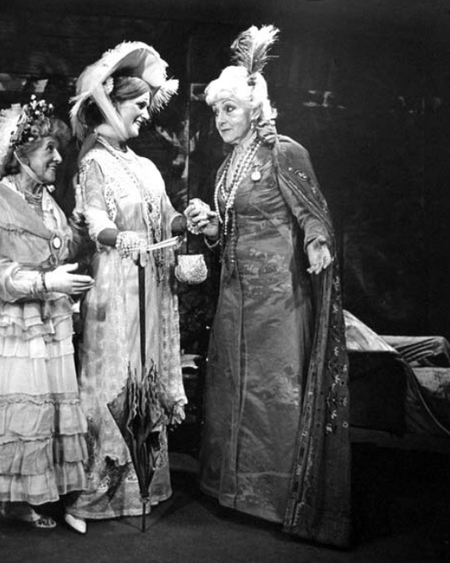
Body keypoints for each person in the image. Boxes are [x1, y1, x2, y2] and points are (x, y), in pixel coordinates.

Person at [185, 26, 351, 548]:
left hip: (279, 299)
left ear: (254, 109)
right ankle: (230, 492)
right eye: (216, 111)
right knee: (232, 389)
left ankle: (277, 501)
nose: (220, 120)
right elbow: (234, 228)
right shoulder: (231, 163)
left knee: (273, 398)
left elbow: (313, 212)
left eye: (229, 109)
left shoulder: (285, 151)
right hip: (236, 297)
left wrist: (318, 243)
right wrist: (213, 227)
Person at [0, 96, 94, 529]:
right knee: (15, 409)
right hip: (11, 319)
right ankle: (6, 497)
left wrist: (81, 234)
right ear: (20, 155)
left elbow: (58, 249)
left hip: (45, 315)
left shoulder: (47, 200)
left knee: (40, 409)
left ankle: (27, 494)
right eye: (48, 148)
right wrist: (49, 283)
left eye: (57, 147)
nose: (58, 156)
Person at [64, 42, 187, 534]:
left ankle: (144, 485)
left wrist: (185, 219)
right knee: (115, 379)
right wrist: (121, 236)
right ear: (112, 107)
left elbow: (164, 211)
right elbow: (95, 221)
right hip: (116, 293)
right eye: (138, 107)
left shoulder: (141, 163)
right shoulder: (94, 163)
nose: (144, 116)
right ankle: (98, 491)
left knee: (146, 372)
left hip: (150, 288)